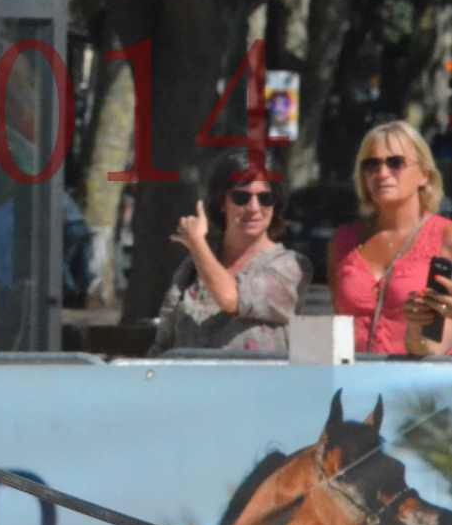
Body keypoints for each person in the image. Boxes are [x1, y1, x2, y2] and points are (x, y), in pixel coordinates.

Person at [150, 152, 311, 355]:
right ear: (221, 202)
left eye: (265, 198)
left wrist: (198, 244)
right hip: (188, 384)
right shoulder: (191, 267)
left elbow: (231, 299)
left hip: (257, 386)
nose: (254, 208)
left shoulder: (291, 266)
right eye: (241, 197)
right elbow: (163, 343)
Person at [332, 120, 452, 355]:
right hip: (353, 385)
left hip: (423, 386)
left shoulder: (447, 236)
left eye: (396, 162)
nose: (382, 173)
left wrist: (418, 327)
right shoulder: (343, 241)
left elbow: (433, 347)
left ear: (424, 175)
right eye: (371, 164)